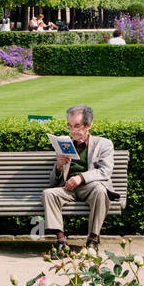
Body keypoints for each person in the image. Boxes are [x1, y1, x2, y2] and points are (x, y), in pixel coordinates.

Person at [43, 105, 118, 250]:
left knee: (100, 191)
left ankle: (93, 239)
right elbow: (53, 182)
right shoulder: (64, 143)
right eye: (70, 126)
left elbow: (105, 171)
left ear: (88, 125)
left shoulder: (104, 144)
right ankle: (61, 241)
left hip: (90, 187)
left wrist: (81, 178)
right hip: (68, 189)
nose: (73, 131)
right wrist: (58, 167)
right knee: (48, 194)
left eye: (77, 126)